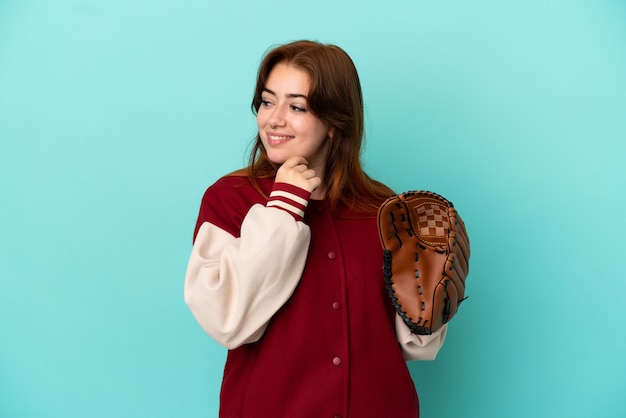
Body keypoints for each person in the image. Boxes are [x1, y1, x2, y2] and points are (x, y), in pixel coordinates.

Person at [184, 40, 447, 418]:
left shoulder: (384, 210)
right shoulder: (229, 200)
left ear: (334, 124)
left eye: (296, 107)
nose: (274, 119)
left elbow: (415, 346)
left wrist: (432, 300)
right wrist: (285, 204)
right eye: (267, 101)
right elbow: (227, 319)